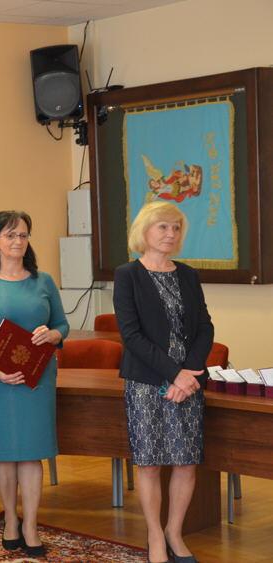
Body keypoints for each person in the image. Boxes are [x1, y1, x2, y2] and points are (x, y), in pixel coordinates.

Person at [0, 210, 68, 558]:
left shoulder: (43, 281)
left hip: (37, 380)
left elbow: (62, 325)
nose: (18, 241)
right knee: (5, 456)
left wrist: (53, 335)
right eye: (10, 235)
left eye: (22, 235)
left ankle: (31, 525)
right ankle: (10, 519)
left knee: (32, 454)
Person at [114, 201, 212, 563]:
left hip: (188, 384)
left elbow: (205, 328)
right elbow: (131, 335)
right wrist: (175, 374)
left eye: (176, 227)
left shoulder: (188, 275)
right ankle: (155, 535)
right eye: (163, 227)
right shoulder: (128, 275)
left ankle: (175, 532)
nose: (171, 234)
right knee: (150, 463)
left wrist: (189, 373)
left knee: (186, 462)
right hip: (146, 383)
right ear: (144, 231)